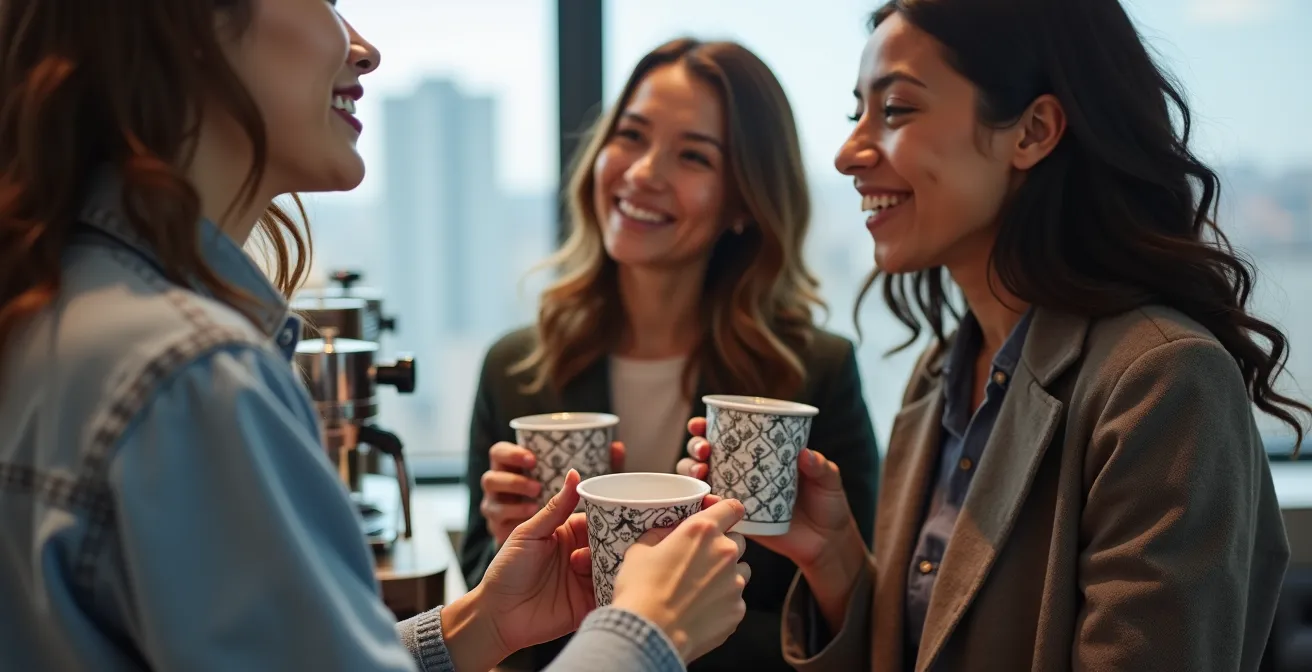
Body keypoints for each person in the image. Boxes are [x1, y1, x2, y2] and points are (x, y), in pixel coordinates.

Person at [0, 1, 752, 670]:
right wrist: (646, 630)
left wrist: (479, 623)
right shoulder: (191, 375)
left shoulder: (64, 307)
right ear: (188, 24)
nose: (363, 47)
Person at [679, 0, 1307, 670]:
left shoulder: (1163, 382)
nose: (847, 153)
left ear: (1033, 131)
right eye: (856, 112)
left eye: (895, 111)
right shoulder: (939, 377)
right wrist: (833, 556)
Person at [460, 37, 882, 671]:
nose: (641, 173)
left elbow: (868, 633)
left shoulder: (811, 373)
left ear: (744, 201)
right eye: (630, 135)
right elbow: (483, 610)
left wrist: (827, 560)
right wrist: (512, 547)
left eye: (692, 155)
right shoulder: (516, 370)